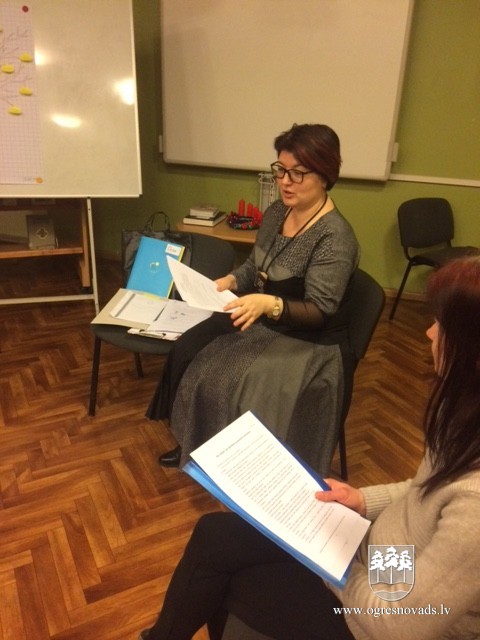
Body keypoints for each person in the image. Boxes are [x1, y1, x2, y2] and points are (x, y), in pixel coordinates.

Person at [139, 256, 480, 640]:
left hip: (381, 613)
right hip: (383, 559)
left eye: (443, 325)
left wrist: (335, 566)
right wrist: (363, 500)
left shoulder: (475, 508)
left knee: (227, 581)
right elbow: (426, 491)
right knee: (214, 534)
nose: (430, 333)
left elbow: (398, 623)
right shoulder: (466, 417)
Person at [146, 123, 360, 472]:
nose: (285, 182)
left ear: (325, 176)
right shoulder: (277, 212)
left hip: (309, 339)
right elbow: (255, 265)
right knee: (188, 347)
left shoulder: (335, 237)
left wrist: (268, 304)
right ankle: (194, 442)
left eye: (298, 173)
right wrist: (232, 279)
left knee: (225, 378)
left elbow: (320, 311)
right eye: (280, 170)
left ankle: (232, 464)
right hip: (264, 314)